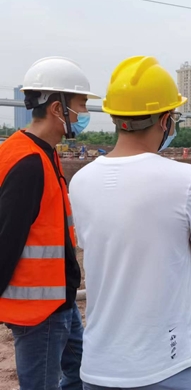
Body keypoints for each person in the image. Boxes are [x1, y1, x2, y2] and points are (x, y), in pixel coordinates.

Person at [69, 56, 191, 389]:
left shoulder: (79, 182)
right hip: (174, 362)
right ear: (165, 120)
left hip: (101, 365)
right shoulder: (187, 180)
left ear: (115, 117)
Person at [0, 57, 98, 390]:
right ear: (58, 108)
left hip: (59, 301)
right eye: (81, 105)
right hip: (38, 312)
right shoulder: (28, 163)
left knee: (81, 373)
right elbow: (6, 240)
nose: (84, 114)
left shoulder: (42, 151)